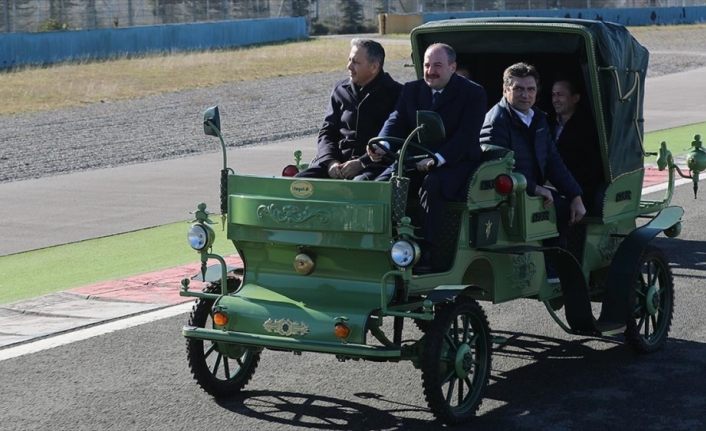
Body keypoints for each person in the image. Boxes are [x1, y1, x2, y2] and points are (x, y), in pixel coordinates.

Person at [370, 43, 487, 271]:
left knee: (433, 184)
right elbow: (396, 119)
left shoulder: (473, 93)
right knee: (382, 184)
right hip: (416, 159)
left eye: (437, 65)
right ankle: (383, 246)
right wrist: (381, 144)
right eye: (426, 65)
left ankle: (428, 253)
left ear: (453, 68)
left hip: (456, 162)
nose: (430, 71)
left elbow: (466, 136)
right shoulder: (412, 90)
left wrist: (438, 159)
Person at [480, 62, 586, 248]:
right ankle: (553, 267)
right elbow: (495, 168)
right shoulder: (497, 121)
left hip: (530, 192)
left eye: (531, 89)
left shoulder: (538, 119)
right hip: (507, 197)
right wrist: (536, 189)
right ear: (505, 90)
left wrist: (576, 196)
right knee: (559, 211)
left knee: (571, 209)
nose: (525, 95)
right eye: (518, 89)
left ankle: (554, 266)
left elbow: (553, 161)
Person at [296, 38, 402, 180]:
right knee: (298, 183)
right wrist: (330, 162)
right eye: (349, 60)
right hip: (337, 164)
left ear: (374, 67)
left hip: (375, 167)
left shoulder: (397, 93)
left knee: (358, 187)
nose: (349, 66)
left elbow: (395, 137)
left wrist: (362, 163)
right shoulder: (340, 90)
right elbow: (327, 132)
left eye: (356, 62)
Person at [549, 78, 604, 214]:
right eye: (553, 95)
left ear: (575, 98)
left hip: (577, 189)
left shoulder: (587, 128)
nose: (555, 99)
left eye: (560, 95)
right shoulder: (546, 123)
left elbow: (589, 168)